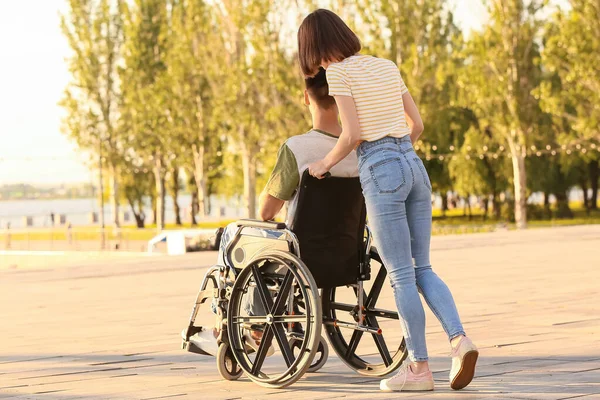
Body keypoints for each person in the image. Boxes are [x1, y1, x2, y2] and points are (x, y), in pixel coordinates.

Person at [297, 9, 478, 392]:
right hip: (414, 166)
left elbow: (353, 134)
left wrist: (323, 165)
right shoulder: (385, 65)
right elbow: (418, 126)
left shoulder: (338, 73)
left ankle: (420, 370)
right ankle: (460, 340)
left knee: (399, 275)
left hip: (381, 169)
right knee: (422, 268)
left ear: (311, 47)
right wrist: (398, 155)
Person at [186, 68, 359, 356]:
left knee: (235, 233)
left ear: (306, 97)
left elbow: (267, 210)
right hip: (345, 255)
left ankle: (233, 327)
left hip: (299, 255)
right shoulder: (355, 150)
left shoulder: (297, 148)